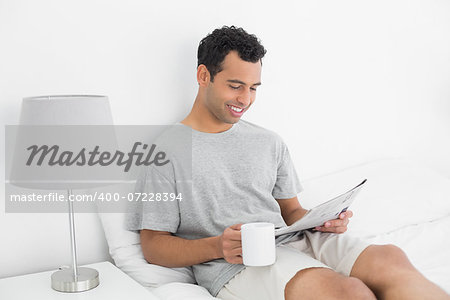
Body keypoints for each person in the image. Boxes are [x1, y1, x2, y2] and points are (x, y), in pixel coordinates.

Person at [127, 25, 450, 300]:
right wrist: (218, 246)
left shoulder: (268, 141)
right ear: (203, 76)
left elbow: (292, 212)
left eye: (253, 88)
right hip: (235, 265)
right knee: (348, 291)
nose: (246, 99)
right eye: (235, 86)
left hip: (292, 239)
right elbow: (154, 246)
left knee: (390, 258)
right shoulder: (164, 152)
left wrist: (322, 221)